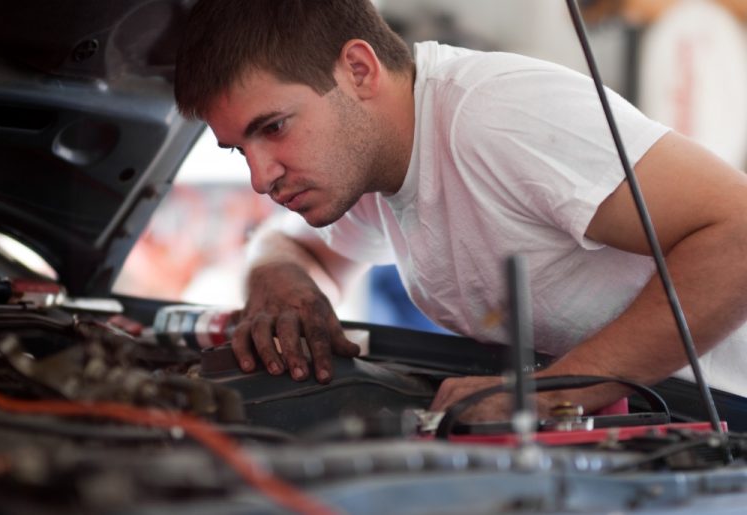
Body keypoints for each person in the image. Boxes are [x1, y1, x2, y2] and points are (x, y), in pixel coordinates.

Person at [174, 0, 747, 421]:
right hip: (645, 421)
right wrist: (276, 276)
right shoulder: (366, 164)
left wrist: (550, 393)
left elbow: (738, 230)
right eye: (238, 150)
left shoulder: (495, 117)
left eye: (273, 128)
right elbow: (290, 245)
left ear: (358, 70)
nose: (259, 176)